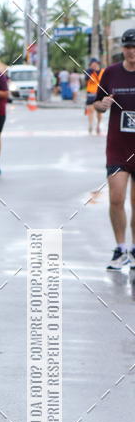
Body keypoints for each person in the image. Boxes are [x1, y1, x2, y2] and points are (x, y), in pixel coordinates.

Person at [94, 28, 135, 270]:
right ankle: (120, 249)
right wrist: (103, 104)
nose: (132, 52)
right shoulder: (110, 73)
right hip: (118, 147)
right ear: (123, 49)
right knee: (117, 198)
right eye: (128, 47)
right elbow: (96, 104)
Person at [85, 59, 104, 134]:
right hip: (91, 93)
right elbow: (86, 80)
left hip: (100, 93)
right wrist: (90, 72)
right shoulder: (89, 72)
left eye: (95, 64)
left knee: (99, 112)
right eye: (92, 64)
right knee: (90, 110)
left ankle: (98, 125)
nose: (94, 66)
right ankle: (90, 125)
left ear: (98, 64)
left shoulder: (103, 71)